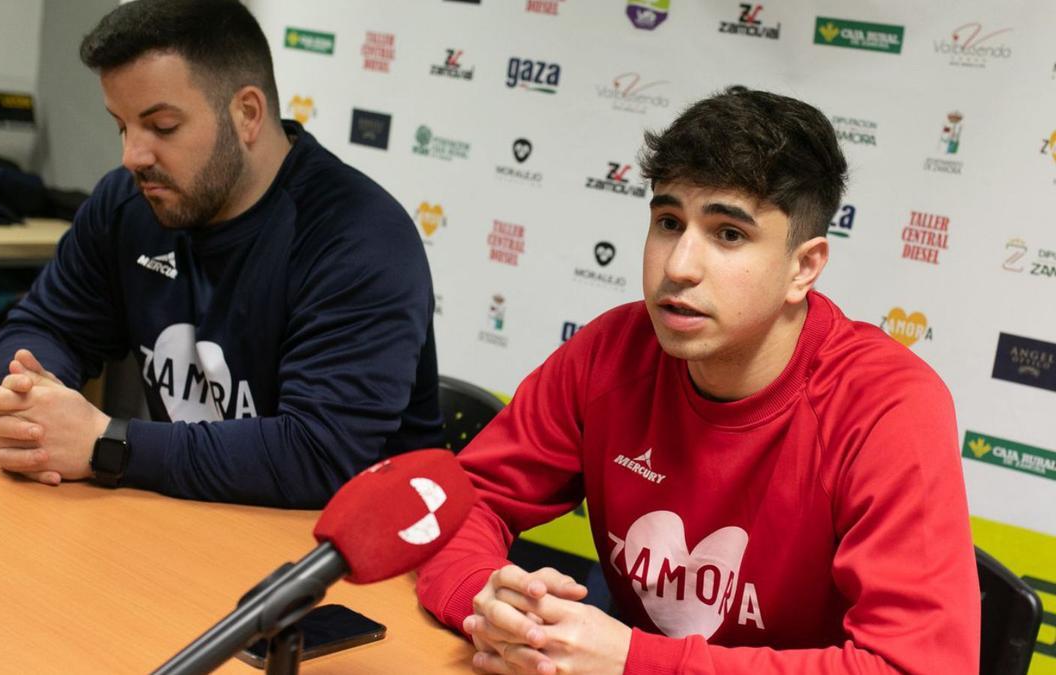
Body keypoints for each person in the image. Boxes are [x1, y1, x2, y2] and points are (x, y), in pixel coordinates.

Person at [416, 88, 979, 674]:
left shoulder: (887, 405)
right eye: (668, 222)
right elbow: (457, 507)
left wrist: (636, 663)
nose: (679, 265)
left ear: (804, 266)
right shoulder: (612, 349)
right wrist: (492, 609)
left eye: (728, 234)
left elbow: (913, 667)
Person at [0, 0, 442, 506]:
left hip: (353, 555)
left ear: (246, 114)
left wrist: (106, 442)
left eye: (163, 126)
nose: (132, 155)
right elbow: (44, 326)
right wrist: (32, 403)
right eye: (122, 125)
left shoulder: (359, 237)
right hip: (195, 518)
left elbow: (319, 455)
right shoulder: (127, 204)